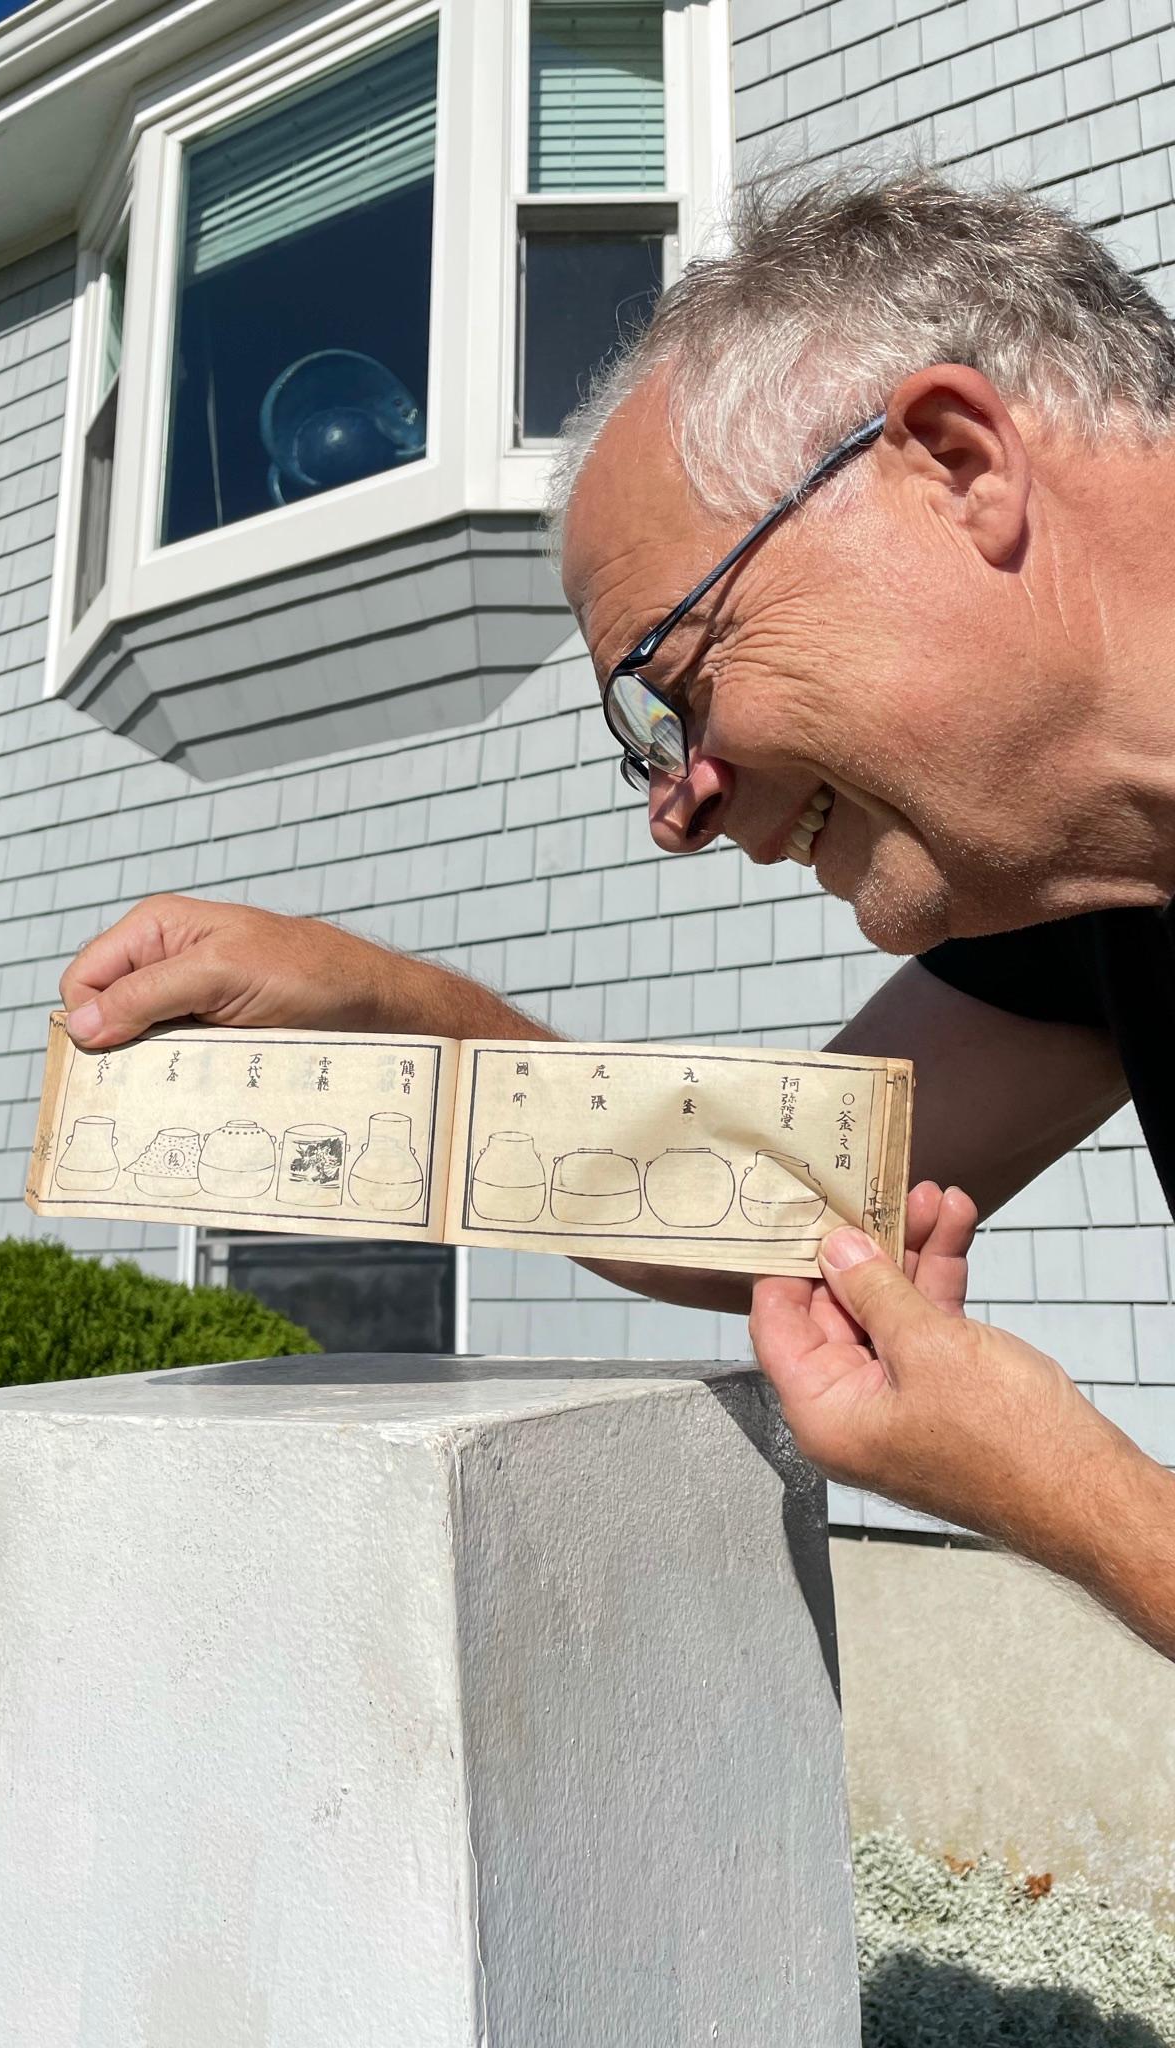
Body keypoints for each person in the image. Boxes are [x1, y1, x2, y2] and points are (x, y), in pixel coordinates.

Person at [59, 170, 1175, 1661]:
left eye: (676, 682)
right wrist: (418, 1020)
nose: (678, 806)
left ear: (955, 463)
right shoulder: (1096, 894)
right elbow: (762, 1208)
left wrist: (1074, 1497)